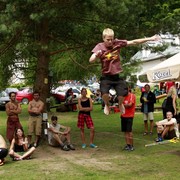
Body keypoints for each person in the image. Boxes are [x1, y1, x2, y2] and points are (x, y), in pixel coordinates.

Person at [89, 28, 160, 115]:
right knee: (104, 94)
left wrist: (150, 38)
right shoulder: (99, 46)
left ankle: (120, 104)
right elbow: (91, 60)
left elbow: (134, 42)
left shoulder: (117, 43)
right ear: (103, 38)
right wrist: (96, 54)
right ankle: (107, 104)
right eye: (108, 40)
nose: (110, 42)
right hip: (106, 77)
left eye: (112, 39)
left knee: (122, 94)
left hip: (117, 76)